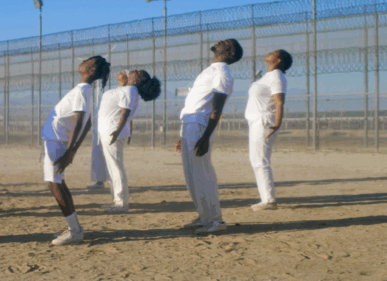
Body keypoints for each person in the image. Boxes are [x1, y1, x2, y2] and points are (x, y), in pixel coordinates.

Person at [175, 39, 243, 235]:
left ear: (230, 53)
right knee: (192, 176)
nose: (221, 41)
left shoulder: (222, 73)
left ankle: (215, 220)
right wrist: (182, 134)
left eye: (227, 43)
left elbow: (216, 109)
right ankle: (204, 216)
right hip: (190, 124)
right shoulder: (211, 70)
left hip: (200, 126)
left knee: (202, 174)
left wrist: (205, 136)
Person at [42, 55, 110, 245]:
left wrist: (69, 152)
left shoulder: (83, 90)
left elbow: (80, 122)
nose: (83, 60)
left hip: (57, 142)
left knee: (55, 184)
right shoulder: (83, 90)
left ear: (91, 70)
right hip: (57, 141)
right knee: (57, 183)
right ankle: (74, 228)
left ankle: (75, 230)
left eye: (88, 60)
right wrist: (72, 151)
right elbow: (87, 123)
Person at [97, 69, 161, 212]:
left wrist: (117, 132)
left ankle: (121, 203)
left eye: (138, 72)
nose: (133, 70)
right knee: (112, 168)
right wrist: (121, 82)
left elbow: (125, 113)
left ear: (137, 80)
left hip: (112, 132)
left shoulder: (130, 91)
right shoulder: (126, 89)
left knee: (115, 167)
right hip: (109, 131)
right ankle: (117, 200)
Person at [244, 49, 292, 211]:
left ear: (278, 60)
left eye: (274, 52)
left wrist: (277, 123)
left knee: (260, 161)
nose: (269, 52)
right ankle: (266, 198)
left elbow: (279, 101)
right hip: (255, 121)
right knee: (256, 160)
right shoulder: (266, 76)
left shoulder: (277, 76)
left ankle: (269, 201)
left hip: (264, 121)